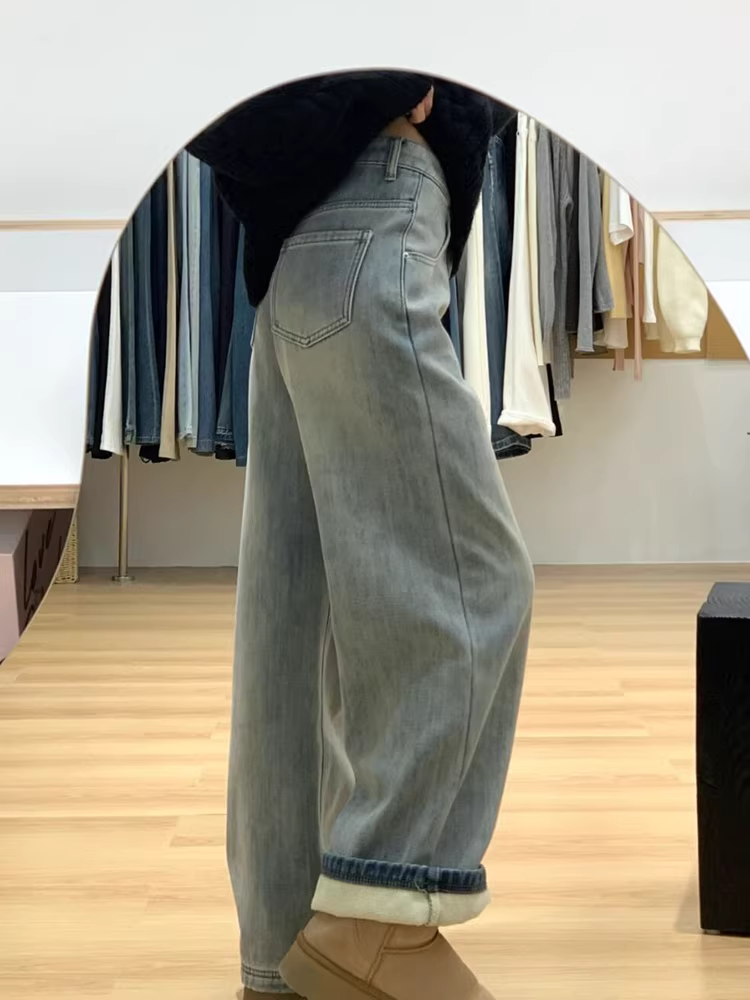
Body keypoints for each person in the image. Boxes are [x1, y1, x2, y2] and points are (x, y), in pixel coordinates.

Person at [188, 71, 534, 1000]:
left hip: (299, 258)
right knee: (478, 586)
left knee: (294, 636)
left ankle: (284, 962)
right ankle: (379, 919)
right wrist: (398, 73)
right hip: (376, 214)